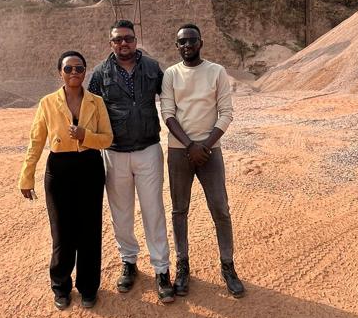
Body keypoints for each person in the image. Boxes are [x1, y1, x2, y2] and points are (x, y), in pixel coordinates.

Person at [19, 51, 113, 310]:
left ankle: (88, 287)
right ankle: (60, 286)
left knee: (90, 230)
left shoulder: (96, 102)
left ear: (85, 72)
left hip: (90, 167)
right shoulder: (47, 103)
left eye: (79, 69)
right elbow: (36, 141)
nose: (74, 73)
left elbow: (107, 139)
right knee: (62, 232)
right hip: (59, 170)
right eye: (69, 69)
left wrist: (86, 136)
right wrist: (26, 176)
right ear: (60, 72)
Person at [88, 20, 174, 303]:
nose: (123, 43)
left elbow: (173, 99)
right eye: (118, 40)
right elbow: (90, 111)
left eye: (128, 38)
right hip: (115, 152)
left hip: (148, 149)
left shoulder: (152, 68)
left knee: (154, 211)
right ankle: (129, 262)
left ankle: (161, 270)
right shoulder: (100, 73)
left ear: (135, 40)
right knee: (121, 213)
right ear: (110, 43)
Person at [160, 24, 245, 298]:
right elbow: (168, 113)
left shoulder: (216, 71)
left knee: (220, 209)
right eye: (182, 42)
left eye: (192, 41)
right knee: (179, 211)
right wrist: (189, 145)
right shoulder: (171, 74)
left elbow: (226, 112)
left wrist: (205, 146)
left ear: (201, 42)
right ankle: (182, 267)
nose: (187, 46)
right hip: (178, 151)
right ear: (176, 46)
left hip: (210, 152)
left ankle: (228, 266)